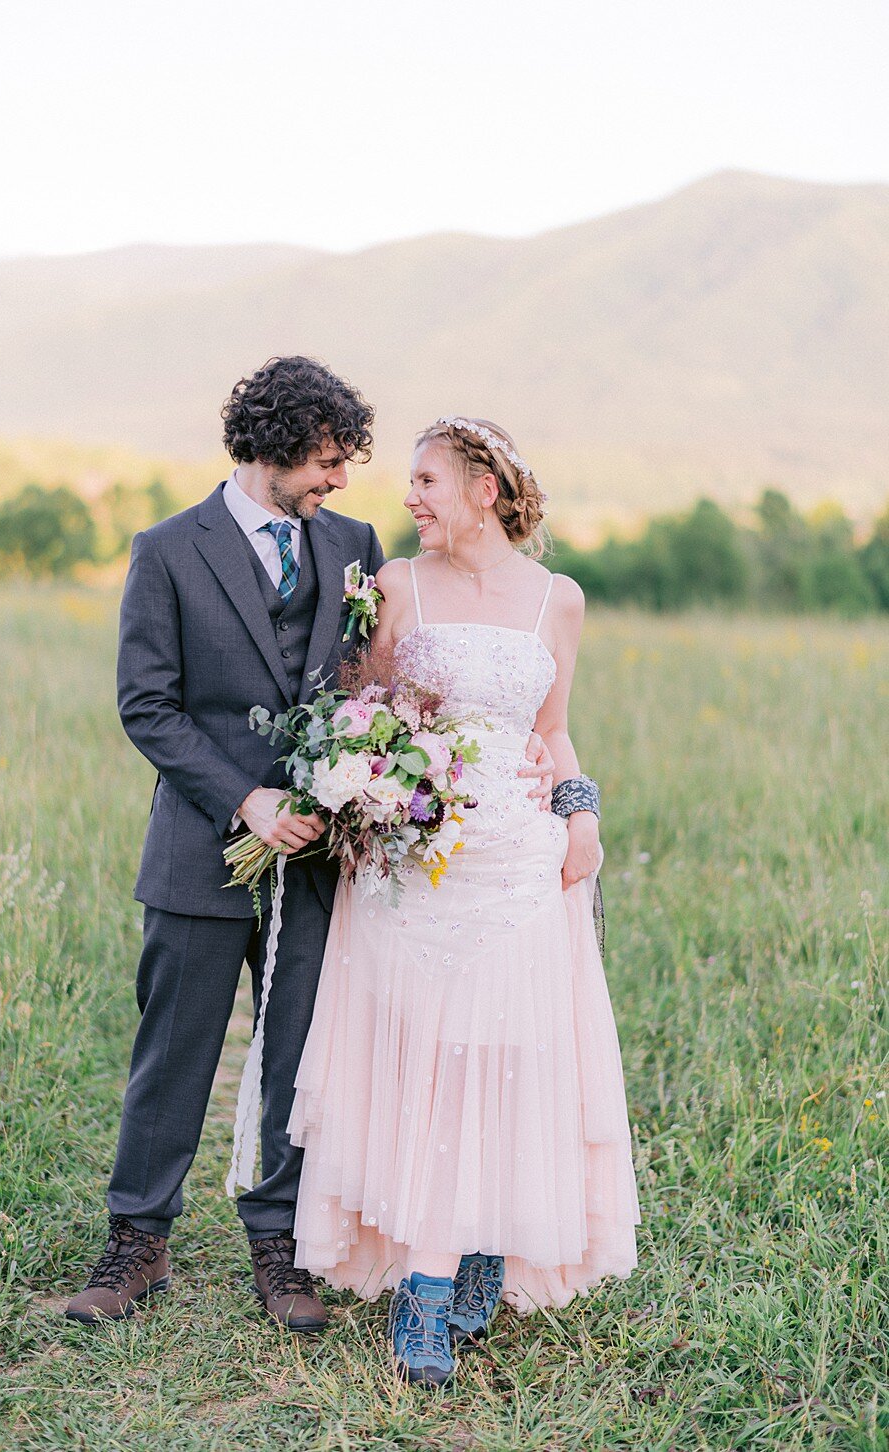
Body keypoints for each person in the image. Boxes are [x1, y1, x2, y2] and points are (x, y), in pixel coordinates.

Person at [64, 367, 554, 1331]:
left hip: (330, 855)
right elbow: (146, 705)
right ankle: (137, 1243)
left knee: (297, 1053)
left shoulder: (354, 547)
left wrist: (486, 748)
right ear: (274, 445)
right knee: (176, 1049)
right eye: (328, 460)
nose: (339, 480)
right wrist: (245, 800)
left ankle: (279, 1245)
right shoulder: (167, 550)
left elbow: (374, 688)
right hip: (204, 844)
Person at [288, 416, 640, 1385]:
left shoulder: (556, 601)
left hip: (521, 866)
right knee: (431, 1061)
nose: (409, 498)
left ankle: (484, 1236)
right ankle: (425, 1292)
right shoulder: (397, 587)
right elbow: (363, 711)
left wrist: (582, 818)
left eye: (427, 480)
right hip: (415, 866)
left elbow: (556, 730)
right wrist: (364, 781)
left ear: (485, 488)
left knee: (509, 1053)